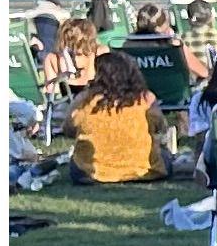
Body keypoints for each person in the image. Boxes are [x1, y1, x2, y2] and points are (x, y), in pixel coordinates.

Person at [66, 42, 181, 186]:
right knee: (163, 154)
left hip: (92, 172)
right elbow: (160, 126)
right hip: (144, 170)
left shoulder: (85, 100)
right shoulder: (145, 99)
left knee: (76, 160)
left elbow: (68, 128)